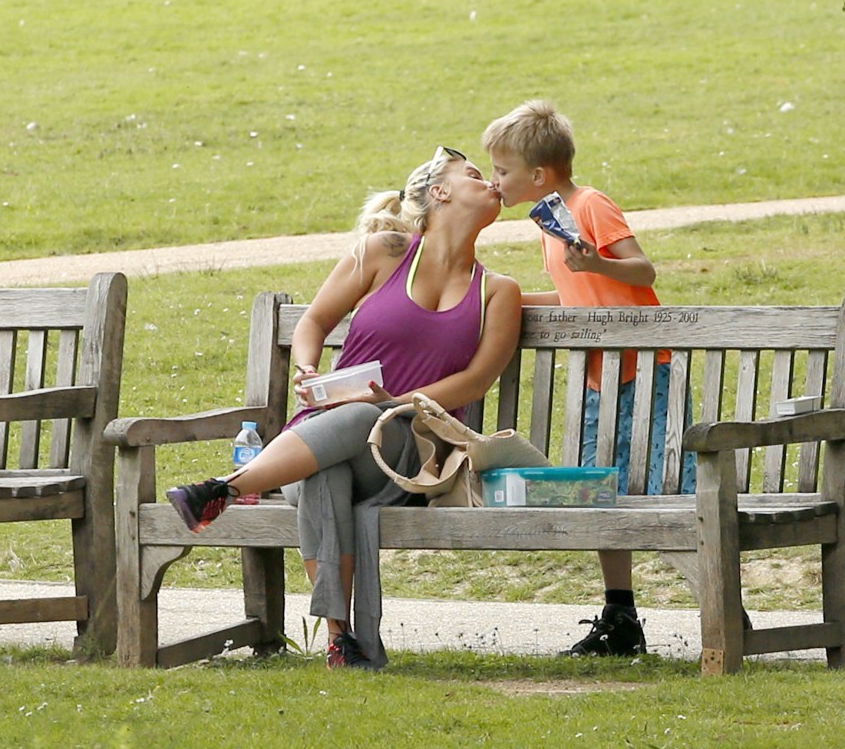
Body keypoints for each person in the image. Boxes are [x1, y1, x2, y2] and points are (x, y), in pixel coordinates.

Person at [166, 146, 522, 669]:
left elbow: (475, 382)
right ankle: (342, 641)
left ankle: (227, 488)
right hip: (318, 440)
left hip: (413, 453)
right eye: (473, 175)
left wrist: (391, 403)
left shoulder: (498, 291)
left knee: (363, 419)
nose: (488, 182)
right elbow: (312, 323)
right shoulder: (382, 251)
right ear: (440, 192)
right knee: (323, 473)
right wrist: (309, 370)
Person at [482, 100, 696, 658]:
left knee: (671, 488)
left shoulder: (590, 206)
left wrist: (596, 263)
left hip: (644, 374)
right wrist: (503, 302)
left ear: (538, 174)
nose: (496, 180)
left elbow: (642, 270)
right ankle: (620, 614)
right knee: (602, 492)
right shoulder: (550, 220)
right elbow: (577, 294)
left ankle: (723, 603)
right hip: (601, 380)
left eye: (502, 171)